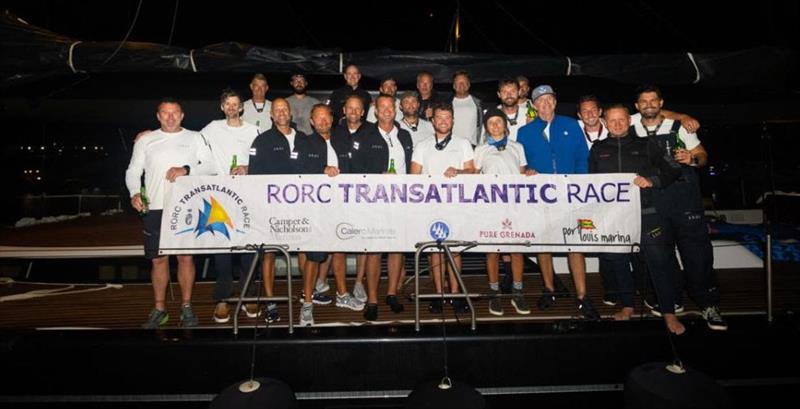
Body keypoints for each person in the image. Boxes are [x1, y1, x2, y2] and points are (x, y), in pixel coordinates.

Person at [632, 85, 727, 331]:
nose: (649, 105)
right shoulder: (630, 125)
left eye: (653, 100)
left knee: (697, 255)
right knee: (659, 256)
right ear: (637, 106)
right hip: (651, 203)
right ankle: (672, 300)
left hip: (685, 202)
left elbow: (703, 156)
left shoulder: (680, 128)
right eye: (644, 101)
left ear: (661, 102)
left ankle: (709, 304)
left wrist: (692, 158)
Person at [590, 104, 685, 333]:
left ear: (629, 121)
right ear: (605, 123)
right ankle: (628, 306)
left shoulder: (647, 145)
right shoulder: (597, 149)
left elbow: (673, 169)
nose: (617, 124)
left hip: (647, 214)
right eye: (612, 120)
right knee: (619, 262)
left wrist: (651, 180)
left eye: (621, 119)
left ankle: (668, 313)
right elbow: (589, 183)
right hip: (613, 217)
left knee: (658, 261)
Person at [125, 98, 214, 329]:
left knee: (185, 258)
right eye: (165, 113)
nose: (170, 117)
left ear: (182, 115)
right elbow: (133, 171)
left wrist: (186, 169)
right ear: (158, 116)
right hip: (153, 206)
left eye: (175, 113)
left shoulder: (195, 137)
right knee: (158, 259)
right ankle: (160, 309)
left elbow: (211, 166)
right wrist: (135, 193)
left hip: (187, 207)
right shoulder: (146, 139)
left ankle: (186, 307)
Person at [516, 84, 599, 320]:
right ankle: (549, 289)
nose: (544, 104)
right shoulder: (524, 132)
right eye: (539, 101)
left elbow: (583, 158)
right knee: (544, 244)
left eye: (548, 100)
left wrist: (579, 186)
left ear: (555, 101)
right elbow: (521, 165)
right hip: (541, 197)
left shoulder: (572, 125)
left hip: (570, 195)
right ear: (533, 105)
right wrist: (527, 171)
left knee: (575, 245)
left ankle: (582, 296)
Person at [198, 89, 261, 323]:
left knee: (249, 249)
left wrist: (247, 168)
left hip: (247, 196)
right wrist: (148, 135)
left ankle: (249, 296)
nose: (232, 107)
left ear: (241, 107)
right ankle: (222, 299)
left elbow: (261, 161)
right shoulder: (211, 128)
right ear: (222, 107)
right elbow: (188, 143)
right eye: (228, 104)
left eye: (236, 104)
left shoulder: (254, 130)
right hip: (219, 196)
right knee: (222, 250)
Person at [349, 94, 414, 320]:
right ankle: (373, 299)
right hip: (373, 201)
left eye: (390, 107)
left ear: (395, 110)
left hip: (400, 200)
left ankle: (392, 293)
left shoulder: (404, 135)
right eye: (382, 107)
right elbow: (355, 169)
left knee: (397, 248)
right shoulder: (364, 135)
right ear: (375, 111)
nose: (387, 111)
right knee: (375, 250)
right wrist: (378, 177)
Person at [246, 98, 310, 324]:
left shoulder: (304, 139)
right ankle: (271, 301)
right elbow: (254, 177)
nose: (282, 113)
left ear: (290, 113)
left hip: (301, 207)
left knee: (304, 249)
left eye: (285, 109)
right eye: (277, 110)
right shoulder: (261, 141)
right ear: (271, 115)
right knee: (270, 253)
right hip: (271, 208)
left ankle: (306, 297)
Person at [410, 102, 475, 314]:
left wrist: (458, 171)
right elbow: (413, 176)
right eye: (439, 118)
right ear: (433, 120)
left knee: (454, 249)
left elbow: (473, 172)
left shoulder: (463, 143)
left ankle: (456, 293)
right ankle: (438, 294)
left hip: (456, 205)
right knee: (434, 250)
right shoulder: (422, 145)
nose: (443, 121)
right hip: (430, 206)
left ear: (453, 121)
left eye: (447, 118)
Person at [473, 108, 536, 316]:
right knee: (493, 251)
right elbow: (474, 178)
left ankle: (518, 291)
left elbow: (522, 171)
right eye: (490, 123)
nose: (495, 126)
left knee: (516, 250)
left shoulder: (517, 147)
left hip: (514, 207)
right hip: (490, 208)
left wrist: (529, 173)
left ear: (505, 125)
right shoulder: (480, 150)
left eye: (498, 122)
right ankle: (494, 292)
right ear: (486, 127)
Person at [306, 103, 366, 315]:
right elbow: (297, 169)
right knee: (314, 254)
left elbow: (353, 167)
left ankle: (342, 295)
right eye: (318, 118)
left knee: (339, 247)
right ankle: (308, 298)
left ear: (332, 120)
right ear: (312, 122)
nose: (323, 121)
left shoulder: (342, 141)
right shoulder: (304, 143)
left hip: (341, 204)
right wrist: (322, 169)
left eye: (326, 118)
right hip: (314, 208)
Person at [330, 95, 373, 303]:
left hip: (364, 196)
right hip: (337, 197)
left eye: (358, 109)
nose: (354, 112)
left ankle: (358, 282)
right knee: (340, 240)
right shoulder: (334, 132)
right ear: (344, 111)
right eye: (350, 108)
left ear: (363, 112)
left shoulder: (373, 132)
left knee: (362, 240)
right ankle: (342, 290)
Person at [450, 70, 483, 146]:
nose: (461, 84)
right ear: (453, 86)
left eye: (464, 82)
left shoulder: (479, 104)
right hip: (451, 146)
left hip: (472, 147)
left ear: (469, 84)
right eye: (458, 82)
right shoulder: (446, 104)